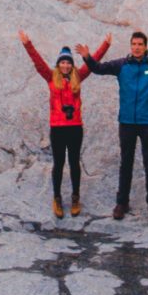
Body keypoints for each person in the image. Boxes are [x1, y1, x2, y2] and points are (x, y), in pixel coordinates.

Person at [87, 31, 148, 220]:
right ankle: (122, 203)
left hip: (147, 121)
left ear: (146, 46)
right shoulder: (121, 65)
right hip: (127, 122)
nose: (137, 47)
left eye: (140, 44)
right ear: (130, 46)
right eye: (134, 44)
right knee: (126, 163)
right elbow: (97, 69)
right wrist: (87, 57)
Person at [19, 30, 111, 219]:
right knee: (59, 164)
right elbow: (38, 62)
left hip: (75, 127)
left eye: (68, 62)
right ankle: (57, 198)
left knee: (74, 163)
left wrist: (105, 45)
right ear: (58, 64)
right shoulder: (51, 77)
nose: (66, 65)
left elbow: (92, 63)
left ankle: (75, 197)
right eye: (63, 62)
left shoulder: (79, 76)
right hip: (58, 128)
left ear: (72, 64)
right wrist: (27, 44)